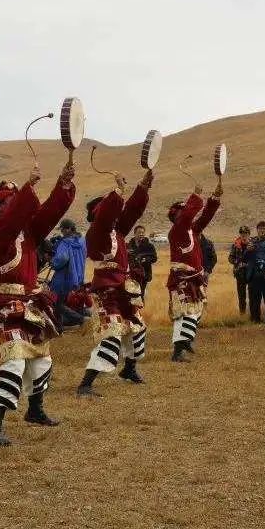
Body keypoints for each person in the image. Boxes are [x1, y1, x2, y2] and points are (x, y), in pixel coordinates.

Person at [0, 161, 75, 447]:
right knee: (13, 364)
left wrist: (63, 185)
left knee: (41, 359)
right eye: (10, 202)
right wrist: (28, 188)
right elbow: (13, 220)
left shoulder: (29, 233)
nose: (16, 206)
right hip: (8, 309)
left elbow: (48, 213)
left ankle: (35, 410)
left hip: (31, 306)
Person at [76, 168, 152, 396]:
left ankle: (129, 369)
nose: (117, 215)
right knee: (112, 337)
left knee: (136, 328)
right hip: (106, 292)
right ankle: (85, 384)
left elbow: (132, 211)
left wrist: (142, 187)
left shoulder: (117, 231)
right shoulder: (96, 233)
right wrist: (118, 190)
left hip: (123, 289)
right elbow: (109, 215)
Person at [166, 179, 222, 362]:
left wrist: (214, 198)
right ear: (177, 216)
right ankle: (178, 351)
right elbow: (189, 214)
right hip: (182, 278)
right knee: (185, 313)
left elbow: (205, 217)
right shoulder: (176, 231)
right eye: (182, 212)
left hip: (195, 278)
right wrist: (196, 195)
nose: (186, 214)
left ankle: (185, 341)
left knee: (195, 311)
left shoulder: (192, 230)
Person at [49, 219, 86, 329]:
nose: (62, 232)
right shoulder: (82, 241)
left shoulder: (65, 243)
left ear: (69, 229)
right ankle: (59, 327)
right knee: (62, 302)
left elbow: (62, 258)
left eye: (63, 230)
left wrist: (53, 262)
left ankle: (80, 319)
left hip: (63, 276)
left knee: (56, 303)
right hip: (76, 276)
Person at [128, 225, 158, 300]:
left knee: (140, 294)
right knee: (131, 294)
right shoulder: (129, 245)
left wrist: (146, 259)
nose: (141, 234)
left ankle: (141, 310)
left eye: (142, 233)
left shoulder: (149, 246)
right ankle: (133, 310)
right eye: (139, 232)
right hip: (131, 274)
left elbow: (154, 258)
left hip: (144, 274)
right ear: (134, 233)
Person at [228, 226, 252, 314]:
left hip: (251, 272)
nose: (244, 235)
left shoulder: (253, 244)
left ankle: (253, 313)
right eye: (242, 233)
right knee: (241, 296)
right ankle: (242, 314)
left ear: (249, 234)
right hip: (240, 273)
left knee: (252, 294)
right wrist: (237, 262)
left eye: (246, 233)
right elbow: (230, 258)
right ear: (240, 234)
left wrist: (249, 264)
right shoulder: (235, 245)